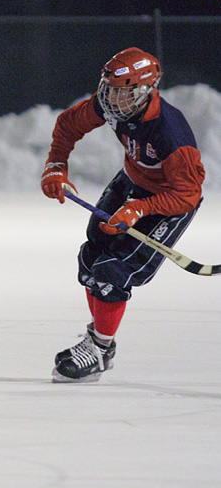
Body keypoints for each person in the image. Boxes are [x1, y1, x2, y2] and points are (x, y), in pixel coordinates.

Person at [41, 46, 204, 383]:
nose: (111, 99)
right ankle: (100, 338)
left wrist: (141, 208)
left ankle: (99, 349)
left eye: (121, 92)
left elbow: (188, 194)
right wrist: (56, 165)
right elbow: (69, 124)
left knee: (110, 273)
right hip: (131, 183)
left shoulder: (171, 134)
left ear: (145, 91)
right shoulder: (115, 105)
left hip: (166, 202)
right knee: (91, 258)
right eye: (109, 90)